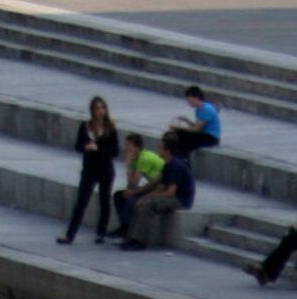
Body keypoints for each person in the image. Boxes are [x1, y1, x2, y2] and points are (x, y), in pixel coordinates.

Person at [114, 132, 196, 249]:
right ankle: (129, 237)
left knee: (147, 205)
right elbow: (157, 184)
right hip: (172, 195)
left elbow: (171, 192)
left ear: (167, 151)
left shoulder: (175, 165)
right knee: (138, 201)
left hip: (181, 200)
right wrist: (142, 195)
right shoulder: (167, 165)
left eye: (160, 148)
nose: (158, 150)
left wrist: (148, 197)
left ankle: (139, 241)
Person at [59, 96, 120, 244]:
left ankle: (101, 233)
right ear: (92, 111)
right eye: (97, 108)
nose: (100, 111)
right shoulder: (86, 126)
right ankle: (70, 234)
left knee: (104, 201)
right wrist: (86, 147)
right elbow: (78, 146)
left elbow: (115, 151)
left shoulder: (110, 128)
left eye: (103, 108)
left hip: (105, 170)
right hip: (89, 170)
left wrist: (98, 148)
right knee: (81, 202)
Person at [166, 85, 221, 161]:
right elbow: (198, 126)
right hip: (205, 134)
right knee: (180, 135)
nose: (188, 102)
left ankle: (182, 158)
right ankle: (181, 156)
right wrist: (187, 120)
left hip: (211, 138)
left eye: (189, 100)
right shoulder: (199, 109)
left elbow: (196, 129)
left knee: (182, 135)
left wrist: (178, 128)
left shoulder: (206, 109)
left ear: (196, 98)